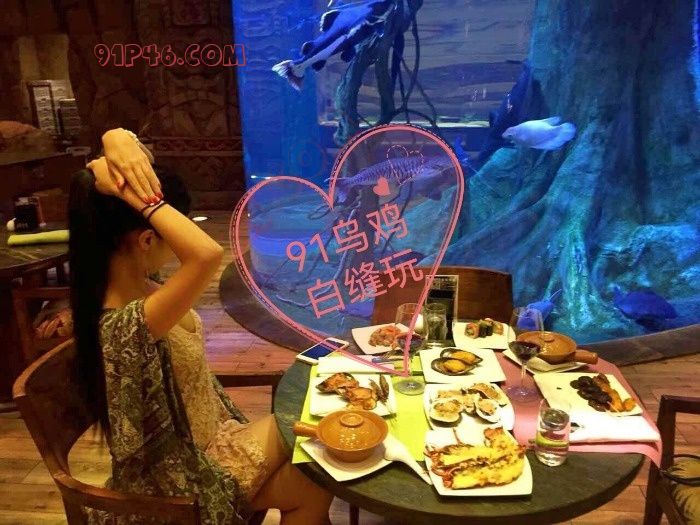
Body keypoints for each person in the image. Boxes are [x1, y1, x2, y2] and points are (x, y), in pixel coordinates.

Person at [68, 128, 333, 525]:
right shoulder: (124, 326)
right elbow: (207, 254)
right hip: (179, 478)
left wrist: (114, 138)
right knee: (315, 438)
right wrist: (138, 198)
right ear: (146, 240)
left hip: (210, 440)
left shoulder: (145, 286)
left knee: (313, 477)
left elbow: (122, 155)